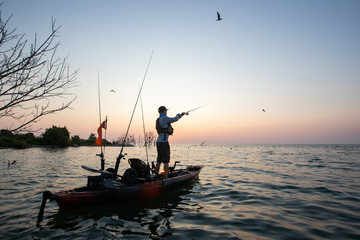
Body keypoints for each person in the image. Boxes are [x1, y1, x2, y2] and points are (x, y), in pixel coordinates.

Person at [155, 106, 185, 179]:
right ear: (163, 111)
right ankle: (166, 178)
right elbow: (175, 119)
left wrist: (181, 115)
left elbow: (173, 119)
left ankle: (156, 176)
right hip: (164, 143)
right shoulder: (164, 118)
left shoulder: (159, 119)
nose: (166, 112)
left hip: (159, 142)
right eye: (166, 110)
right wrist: (179, 115)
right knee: (166, 161)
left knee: (159, 160)